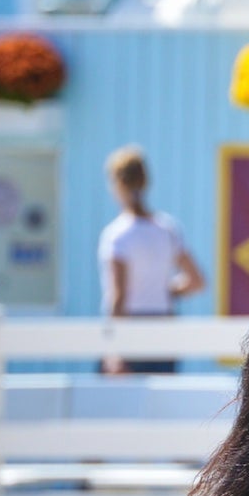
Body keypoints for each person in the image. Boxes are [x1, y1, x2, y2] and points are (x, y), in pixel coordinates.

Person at [97, 146, 206, 375]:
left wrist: (112, 349)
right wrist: (165, 290)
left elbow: (119, 297)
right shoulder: (167, 229)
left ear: (117, 184)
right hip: (164, 328)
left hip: (130, 332)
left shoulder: (117, 234)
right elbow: (196, 281)